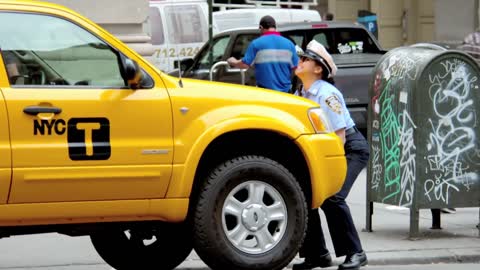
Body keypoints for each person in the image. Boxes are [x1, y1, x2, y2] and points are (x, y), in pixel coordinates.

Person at [292, 40, 370, 270]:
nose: (300, 61)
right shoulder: (300, 92)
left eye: (305, 59)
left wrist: (325, 171)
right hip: (323, 151)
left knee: (332, 197)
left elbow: (339, 137)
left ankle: (356, 252)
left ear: (318, 69)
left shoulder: (327, 95)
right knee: (307, 198)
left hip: (348, 148)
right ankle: (318, 255)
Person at [227, 15, 298, 92]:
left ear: (261, 27)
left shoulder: (256, 44)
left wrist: (232, 61)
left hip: (265, 92)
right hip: (286, 93)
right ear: (275, 27)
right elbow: (295, 67)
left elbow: (244, 65)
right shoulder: (289, 44)